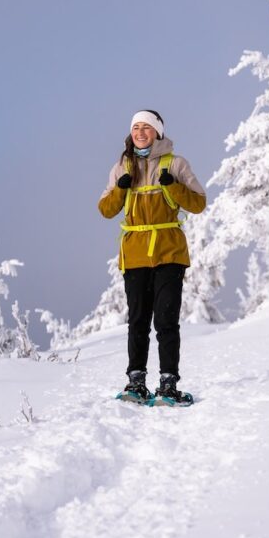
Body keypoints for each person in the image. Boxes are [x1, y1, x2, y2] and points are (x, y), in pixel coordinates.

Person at [98, 109, 206, 405]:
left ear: (158, 132)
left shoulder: (176, 163)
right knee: (137, 321)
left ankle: (168, 385)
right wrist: (120, 191)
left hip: (169, 250)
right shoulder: (122, 166)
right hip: (134, 254)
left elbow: (198, 203)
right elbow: (106, 210)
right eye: (136, 128)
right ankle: (136, 383)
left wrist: (172, 185)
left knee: (166, 320)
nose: (140, 133)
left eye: (146, 127)